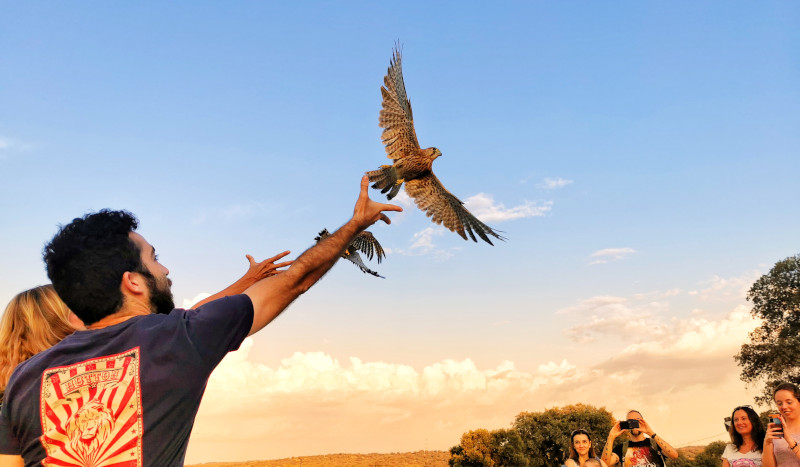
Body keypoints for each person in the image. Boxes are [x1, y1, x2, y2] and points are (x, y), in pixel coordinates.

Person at [0, 176, 401, 466]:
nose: (166, 268)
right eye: (155, 258)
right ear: (133, 282)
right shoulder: (181, 340)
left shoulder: (24, 380)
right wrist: (354, 226)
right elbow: (294, 281)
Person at [0, 252, 290, 406]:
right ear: (59, 321)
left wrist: (246, 282)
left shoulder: (18, 386)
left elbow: (182, 324)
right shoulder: (83, 374)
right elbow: (184, 327)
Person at [601, 410, 679, 466]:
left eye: (637, 420)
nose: (634, 423)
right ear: (626, 424)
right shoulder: (621, 448)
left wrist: (651, 433)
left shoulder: (655, 443)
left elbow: (674, 455)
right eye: (630, 421)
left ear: (643, 422)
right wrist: (611, 437)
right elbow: (605, 463)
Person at [763, 382, 800, 466]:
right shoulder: (775, 431)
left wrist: (790, 441)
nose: (784, 406)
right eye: (779, 403)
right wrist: (767, 443)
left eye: (789, 402)